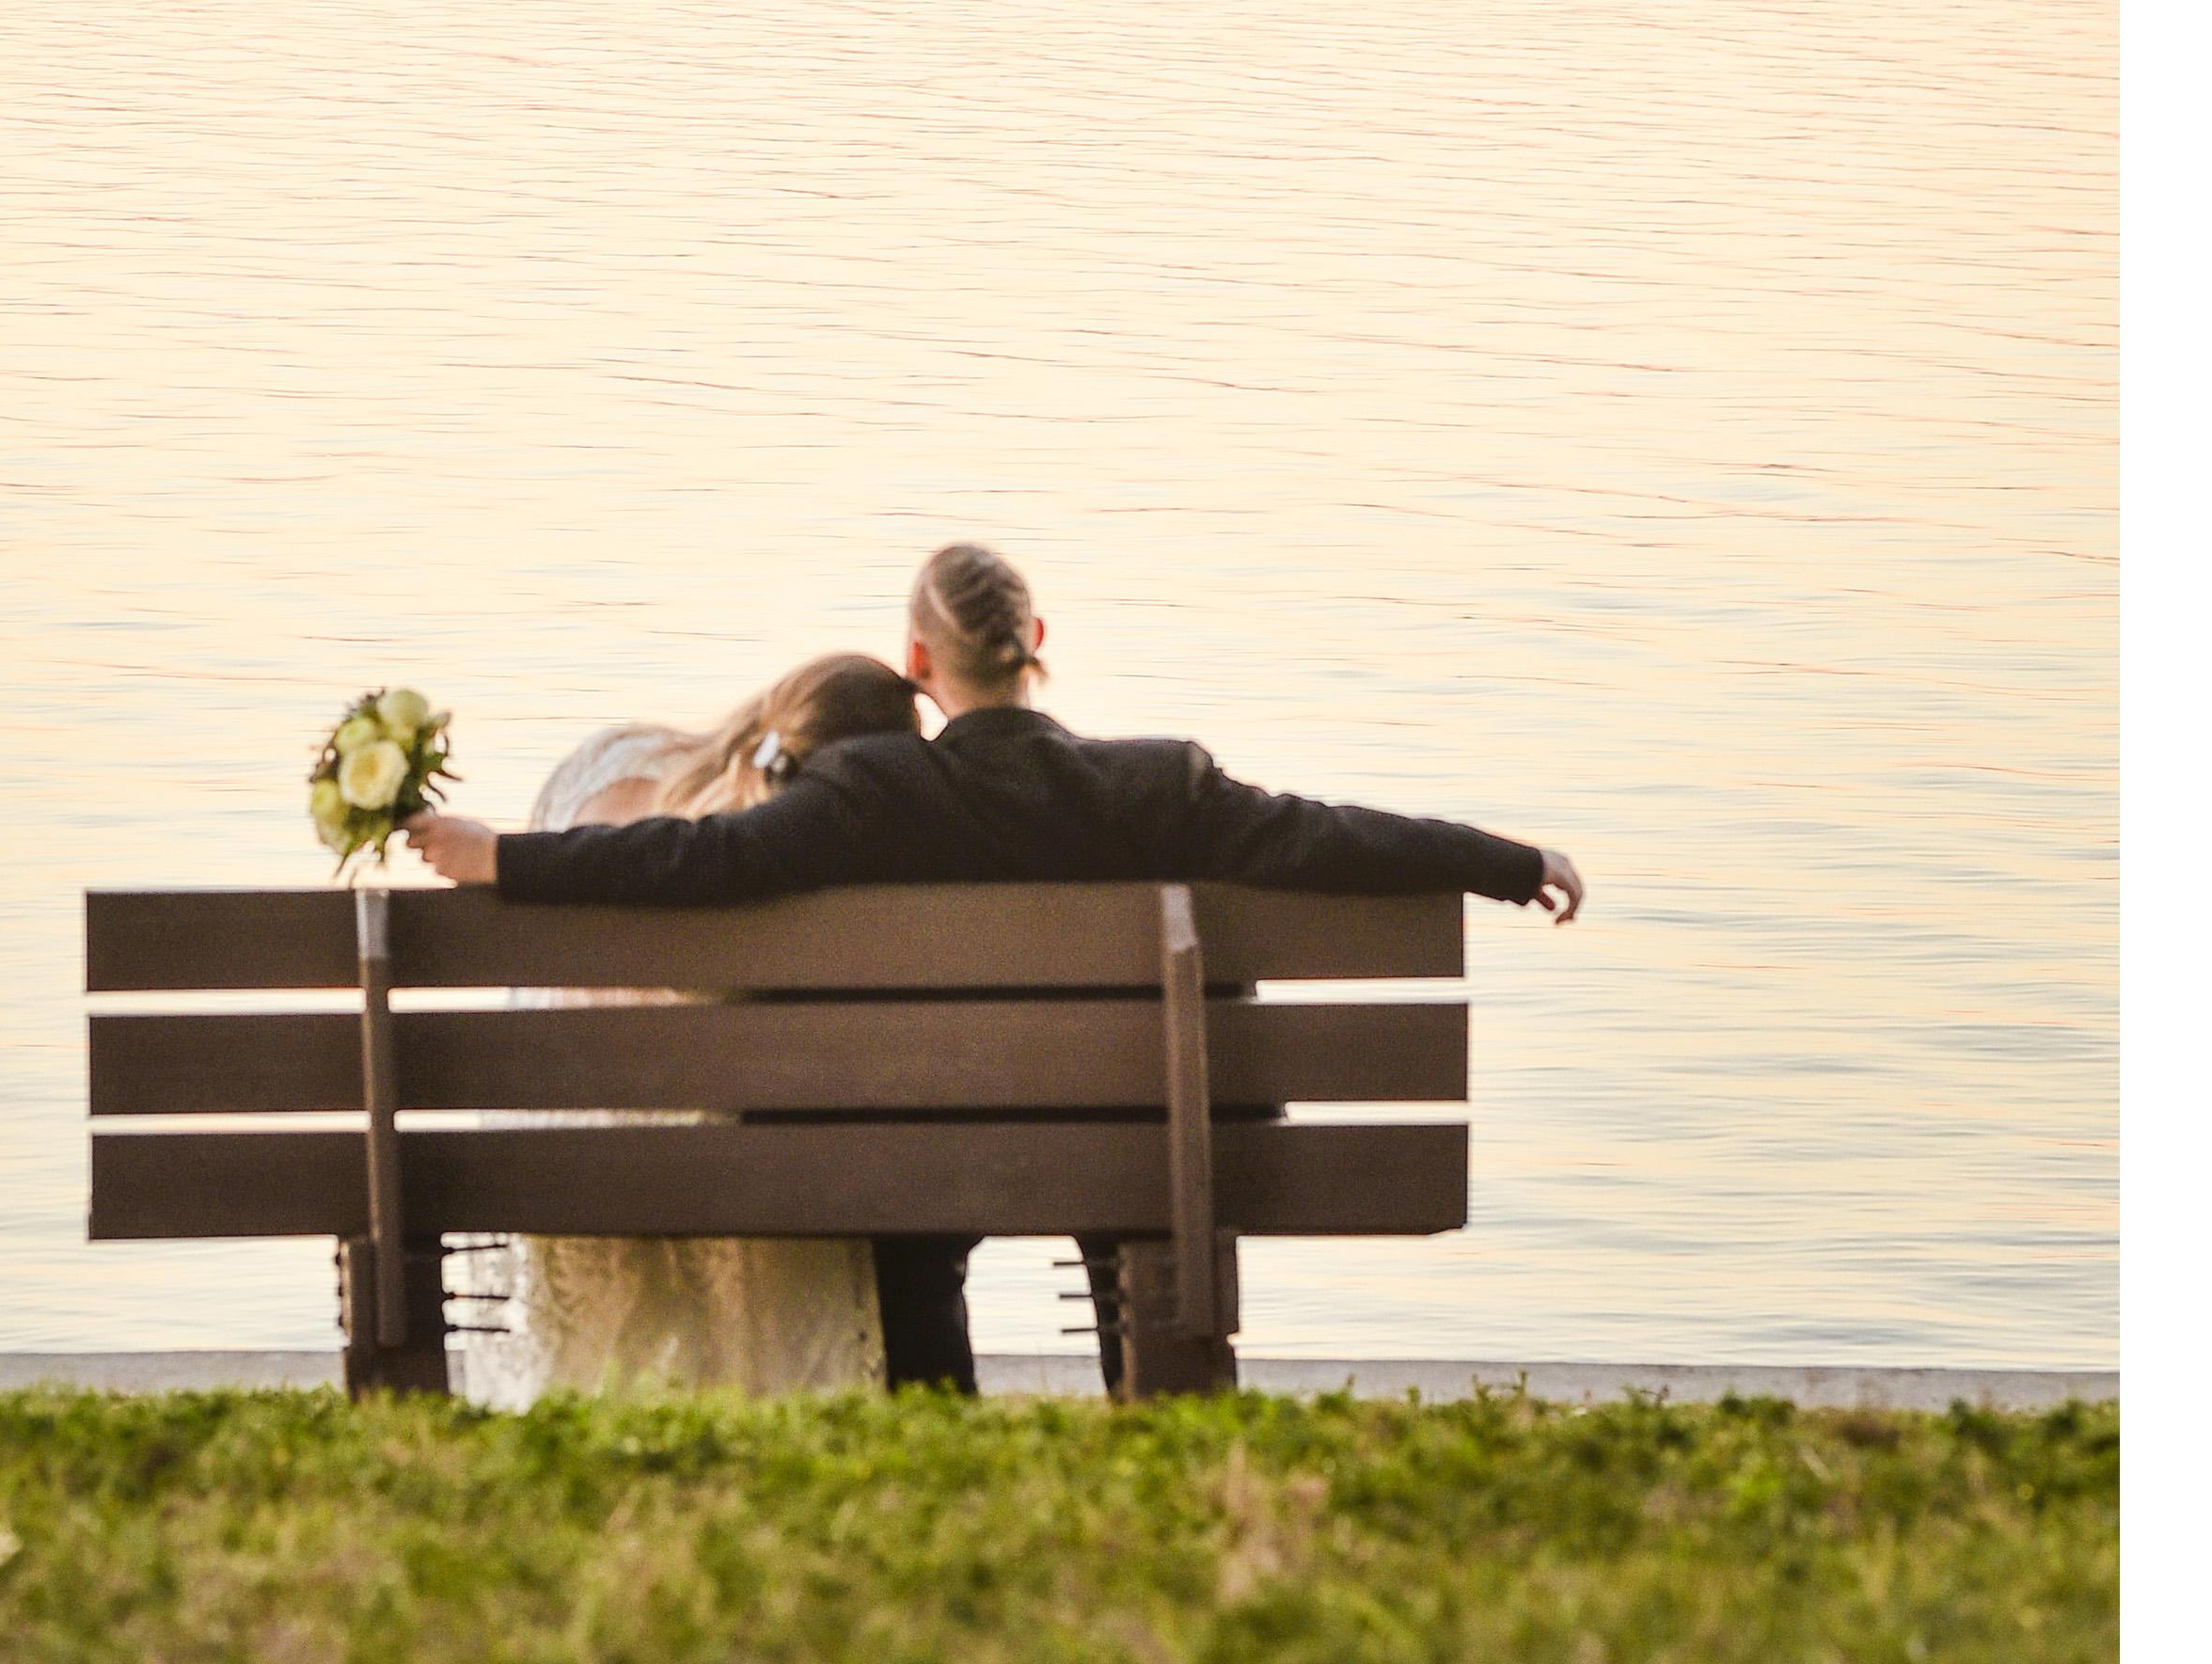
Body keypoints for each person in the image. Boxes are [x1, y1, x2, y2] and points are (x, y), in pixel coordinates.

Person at [407, 544, 1584, 1395]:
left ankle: (936, 1427)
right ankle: (1158, 1405)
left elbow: (699, 859)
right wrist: (1502, 860)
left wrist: (499, 855)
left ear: (921, 661)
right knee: (1128, 1158)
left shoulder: (869, 788)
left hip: (915, 1152)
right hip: (1137, 1140)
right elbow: (1321, 837)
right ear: (1036, 645)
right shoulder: (1156, 783)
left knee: (914, 1212)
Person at [452, 650, 924, 1403]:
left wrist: (494, 857)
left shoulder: (609, 762)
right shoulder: (797, 853)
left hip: (552, 1160)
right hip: (743, 1184)